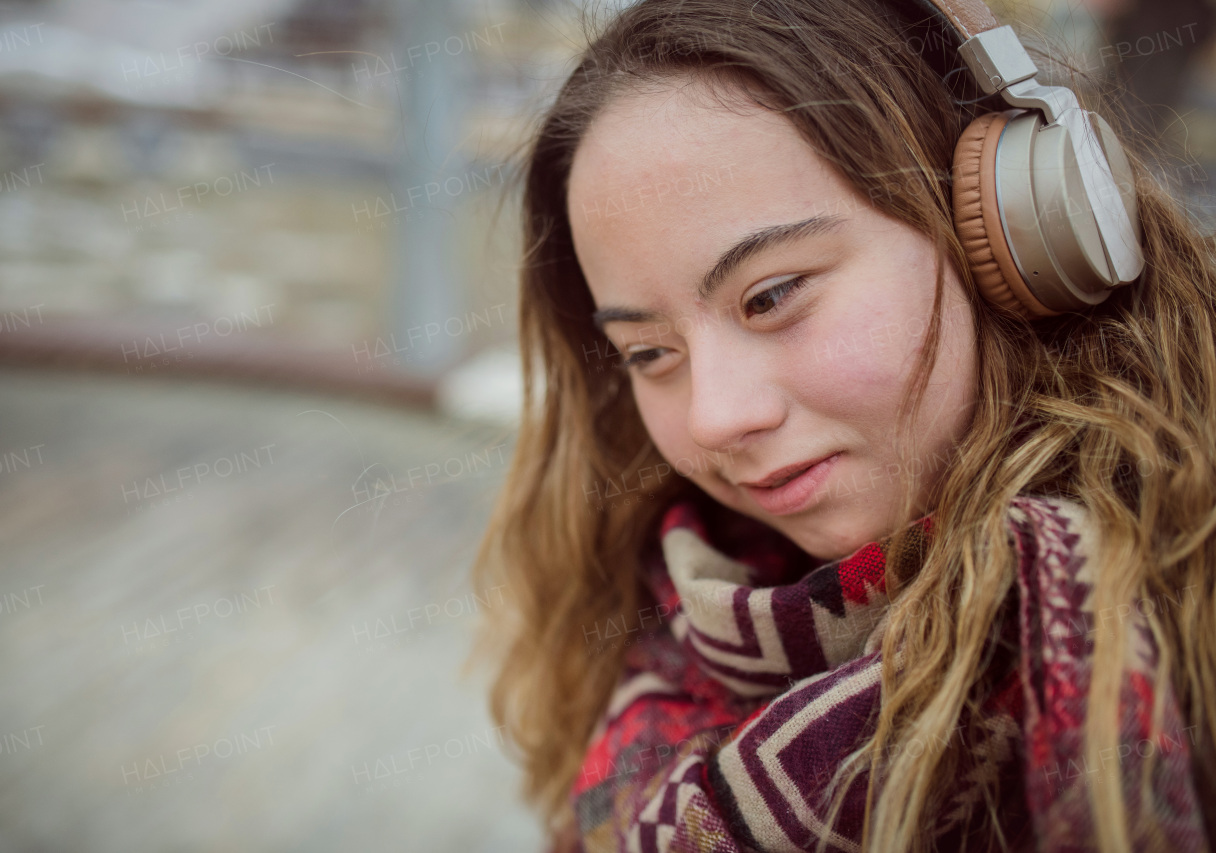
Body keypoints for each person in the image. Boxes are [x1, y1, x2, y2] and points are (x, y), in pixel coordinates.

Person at [468, 0, 1216, 849]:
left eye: (773, 295)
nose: (716, 418)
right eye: (649, 352)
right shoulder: (657, 626)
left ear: (1003, 239)